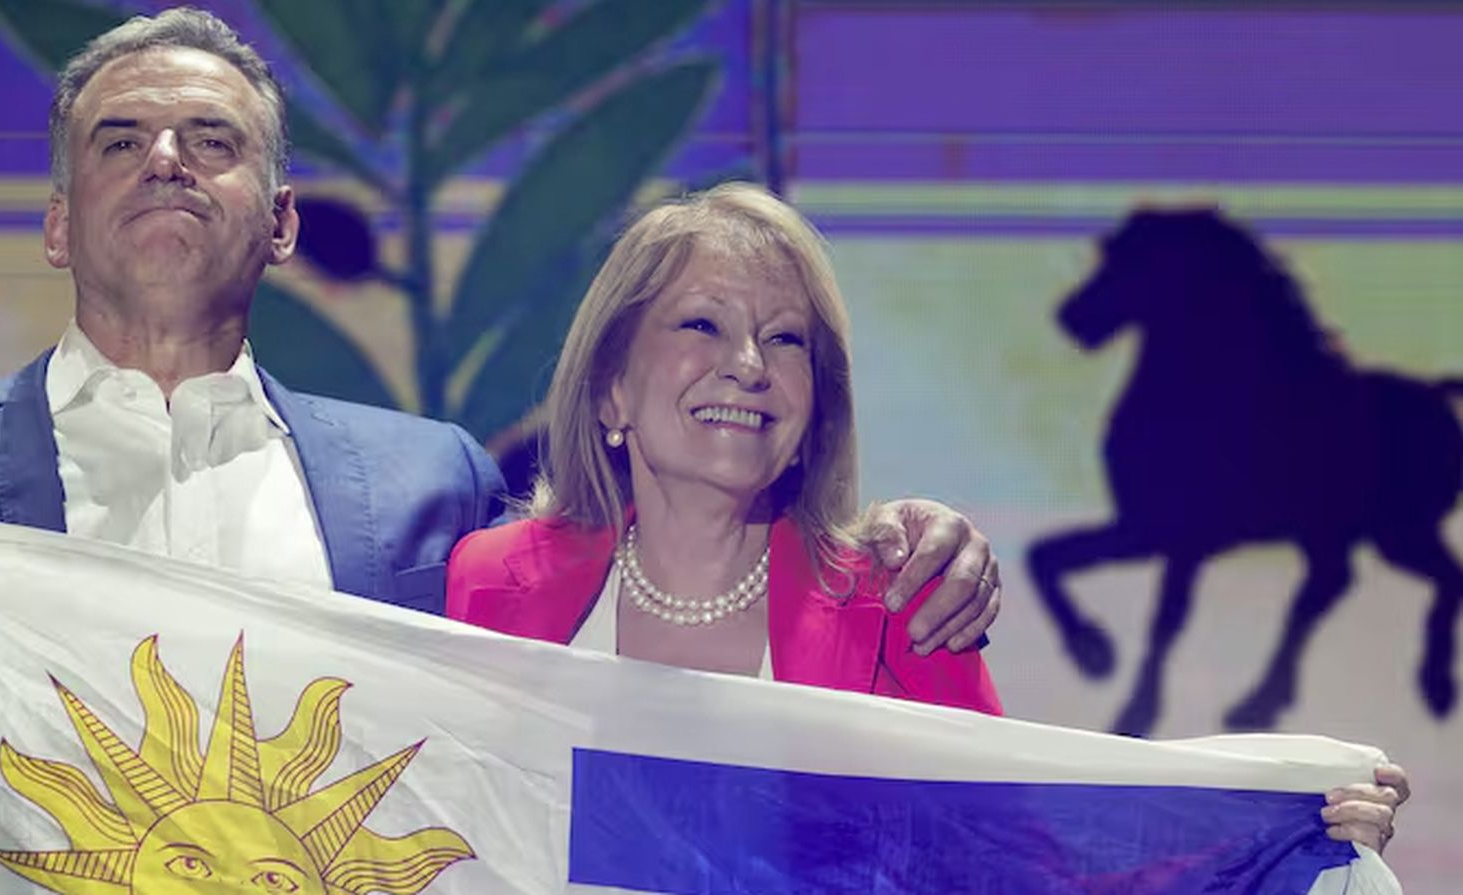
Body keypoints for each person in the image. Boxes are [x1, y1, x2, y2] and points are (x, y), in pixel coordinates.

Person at [0, 8, 1005, 894]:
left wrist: (901, 542)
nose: (168, 160)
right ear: (59, 222)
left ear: (284, 221)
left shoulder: (429, 485)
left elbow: (610, 672)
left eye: (215, 142)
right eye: (120, 141)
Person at [445, 182, 1407, 851]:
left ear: (813, 407)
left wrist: (1285, 814)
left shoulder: (899, 598)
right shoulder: (485, 583)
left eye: (787, 340)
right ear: (610, 387)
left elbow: (1020, 850)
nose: (748, 362)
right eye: (702, 323)